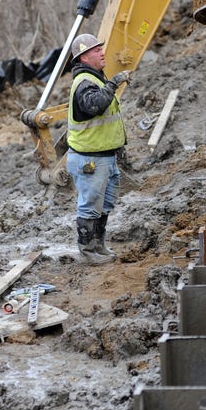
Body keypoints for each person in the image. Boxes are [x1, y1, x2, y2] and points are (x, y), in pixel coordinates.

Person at [66, 33, 132, 265]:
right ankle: (87, 252)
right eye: (95, 50)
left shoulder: (96, 79)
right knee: (90, 205)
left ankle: (98, 246)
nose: (102, 52)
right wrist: (114, 83)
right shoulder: (84, 83)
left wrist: (118, 148)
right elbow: (94, 105)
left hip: (104, 157)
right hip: (89, 159)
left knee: (103, 205)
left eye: (100, 48)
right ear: (83, 57)